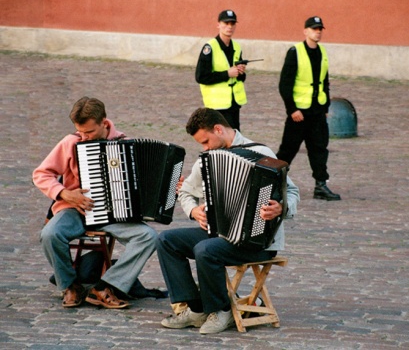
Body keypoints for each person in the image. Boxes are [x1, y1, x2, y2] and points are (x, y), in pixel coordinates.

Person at [156, 108, 300, 334]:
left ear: (218, 129)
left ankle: (221, 311)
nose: (204, 148)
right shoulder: (207, 159)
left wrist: (281, 208)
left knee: (206, 249)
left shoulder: (261, 152)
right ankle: (196, 309)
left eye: (206, 141)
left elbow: (291, 190)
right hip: (219, 234)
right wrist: (194, 211)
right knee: (166, 240)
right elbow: (185, 192)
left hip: (258, 242)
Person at [33, 97, 158, 309]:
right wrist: (64, 193)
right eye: (80, 131)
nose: (84, 136)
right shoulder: (70, 142)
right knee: (49, 234)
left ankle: (105, 286)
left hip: (112, 214)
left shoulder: (125, 144)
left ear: (104, 122)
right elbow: (41, 174)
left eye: (89, 132)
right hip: (75, 210)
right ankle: (70, 286)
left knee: (148, 237)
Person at [276, 16, 341, 201]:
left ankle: (321, 185)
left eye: (320, 28)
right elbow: (285, 84)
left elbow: (324, 82)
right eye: (314, 29)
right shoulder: (295, 52)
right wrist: (292, 109)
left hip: (317, 111)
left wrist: (326, 105)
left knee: (320, 149)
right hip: (299, 114)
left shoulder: (322, 51)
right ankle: (271, 183)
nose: (317, 31)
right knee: (287, 150)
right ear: (305, 31)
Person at [195, 9, 247, 131]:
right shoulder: (210, 47)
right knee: (222, 142)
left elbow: (241, 78)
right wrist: (227, 74)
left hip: (234, 103)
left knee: (234, 139)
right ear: (218, 25)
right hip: (217, 106)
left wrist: (240, 72)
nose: (229, 27)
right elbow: (201, 76)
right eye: (226, 23)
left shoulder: (237, 47)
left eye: (232, 24)